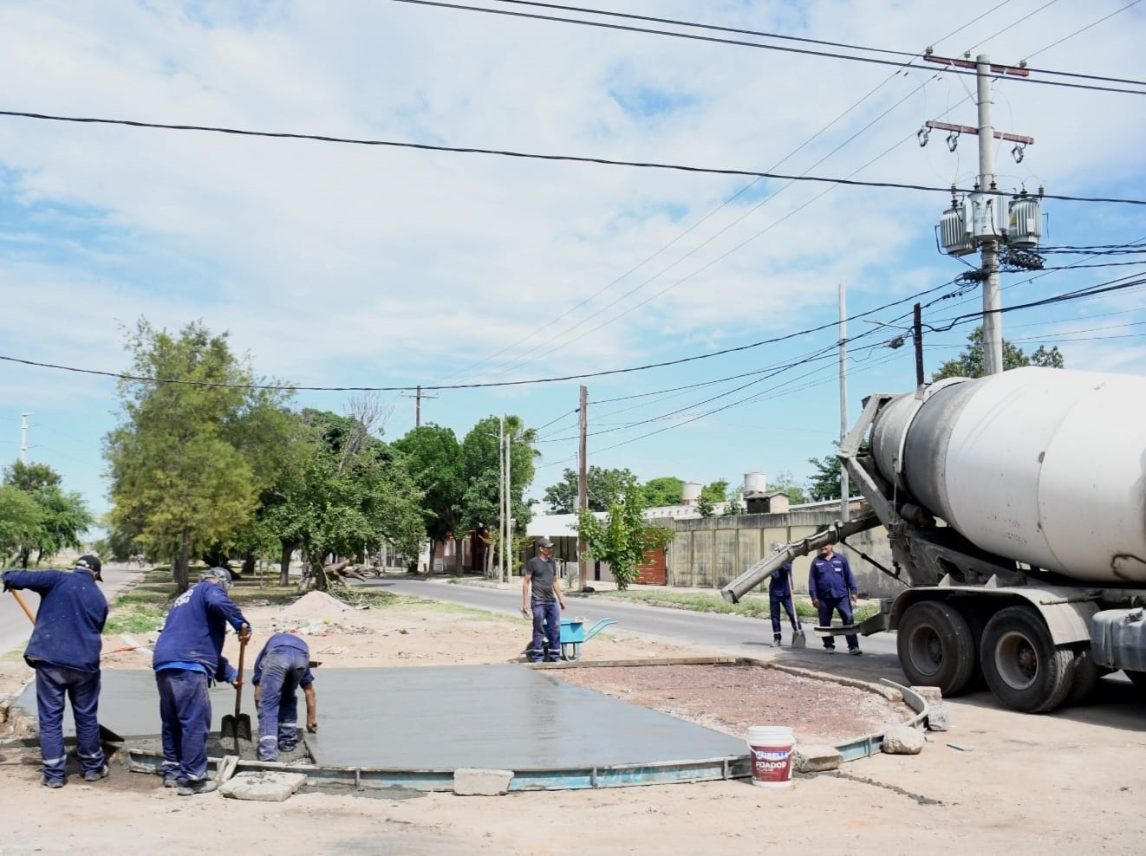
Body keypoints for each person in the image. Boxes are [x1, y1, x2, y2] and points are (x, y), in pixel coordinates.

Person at [1, 555, 109, 788]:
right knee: (86, 716)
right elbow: (95, 628)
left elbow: (15, 576)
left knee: (50, 718)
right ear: (95, 575)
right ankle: (92, 768)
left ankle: (54, 775)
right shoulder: (99, 598)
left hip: (51, 661)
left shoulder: (58, 578)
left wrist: (9, 579)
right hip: (85, 665)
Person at [152, 567, 251, 796]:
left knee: (172, 721)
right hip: (188, 664)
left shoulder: (183, 599)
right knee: (194, 721)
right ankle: (194, 778)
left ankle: (173, 771)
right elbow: (218, 601)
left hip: (165, 662)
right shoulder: (210, 589)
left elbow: (197, 642)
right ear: (222, 582)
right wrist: (240, 623)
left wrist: (230, 675)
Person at [251, 632, 317, 762]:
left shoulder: (263, 656)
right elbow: (309, 691)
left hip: (278, 656)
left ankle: (268, 754)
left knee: (268, 704)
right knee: (288, 696)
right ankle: (287, 741)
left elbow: (259, 692)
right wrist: (311, 720)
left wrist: (262, 715)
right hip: (301, 655)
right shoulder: (299, 650)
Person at [808, 542, 861, 655]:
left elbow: (849, 576)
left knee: (848, 620)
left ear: (831, 545)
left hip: (841, 597)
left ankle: (853, 646)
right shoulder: (816, 561)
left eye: (825, 544)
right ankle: (829, 645)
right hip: (823, 598)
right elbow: (812, 581)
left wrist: (854, 591)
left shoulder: (841, 559)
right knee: (825, 623)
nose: (823, 546)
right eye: (821, 545)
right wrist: (814, 597)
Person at [520, 538, 566, 663]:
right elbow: (526, 582)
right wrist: (525, 603)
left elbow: (554, 581)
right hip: (538, 601)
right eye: (547, 547)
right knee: (539, 629)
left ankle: (554, 657)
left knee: (555, 629)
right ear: (541, 548)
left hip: (551, 601)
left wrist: (560, 598)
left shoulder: (552, 563)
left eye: (551, 547)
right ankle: (538, 658)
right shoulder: (533, 563)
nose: (550, 549)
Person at [768, 548, 800, 647]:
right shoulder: (772, 562)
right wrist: (779, 564)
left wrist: (783, 562)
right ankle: (777, 638)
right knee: (775, 616)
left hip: (786, 593)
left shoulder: (788, 559)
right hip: (774, 592)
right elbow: (775, 575)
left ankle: (798, 633)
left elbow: (788, 569)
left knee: (792, 614)